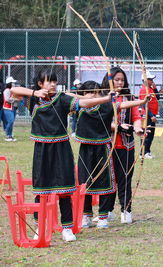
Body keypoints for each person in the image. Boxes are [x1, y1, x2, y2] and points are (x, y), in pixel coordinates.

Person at [11, 69, 112, 242]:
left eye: (54, 81)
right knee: (41, 189)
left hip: (61, 149)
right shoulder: (34, 98)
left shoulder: (63, 99)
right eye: (48, 81)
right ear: (40, 84)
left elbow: (84, 103)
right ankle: (39, 226)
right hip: (42, 149)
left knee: (65, 190)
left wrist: (106, 99)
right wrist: (35, 92)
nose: (52, 84)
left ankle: (67, 228)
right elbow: (14, 91)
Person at [76, 80, 149, 229]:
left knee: (104, 181)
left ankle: (103, 216)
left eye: (96, 92)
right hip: (85, 149)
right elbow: (69, 97)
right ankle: (86, 215)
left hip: (103, 148)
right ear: (82, 95)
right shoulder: (78, 105)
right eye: (89, 92)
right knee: (85, 182)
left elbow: (122, 105)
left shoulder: (106, 105)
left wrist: (142, 101)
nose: (94, 95)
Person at [101, 67, 145, 224]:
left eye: (122, 80)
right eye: (116, 79)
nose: (120, 82)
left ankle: (126, 210)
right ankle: (106, 211)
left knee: (125, 178)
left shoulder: (129, 98)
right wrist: (117, 126)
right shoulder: (102, 98)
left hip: (125, 146)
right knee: (108, 179)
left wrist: (138, 128)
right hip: (106, 145)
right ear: (109, 81)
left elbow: (136, 117)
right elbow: (101, 121)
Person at [139, 72, 159, 159]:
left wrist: (155, 89)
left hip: (152, 115)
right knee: (146, 133)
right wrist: (151, 115)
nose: (152, 81)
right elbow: (144, 104)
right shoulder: (144, 90)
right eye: (150, 79)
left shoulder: (150, 89)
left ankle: (147, 151)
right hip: (147, 115)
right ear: (145, 80)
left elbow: (158, 98)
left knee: (151, 134)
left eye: (152, 79)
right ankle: (143, 152)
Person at [3, 77, 20, 141]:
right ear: (9, 83)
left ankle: (10, 135)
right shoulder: (7, 90)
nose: (14, 84)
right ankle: (8, 135)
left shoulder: (12, 90)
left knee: (12, 122)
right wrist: (15, 99)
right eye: (12, 83)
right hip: (7, 108)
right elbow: (7, 99)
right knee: (10, 121)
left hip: (13, 108)